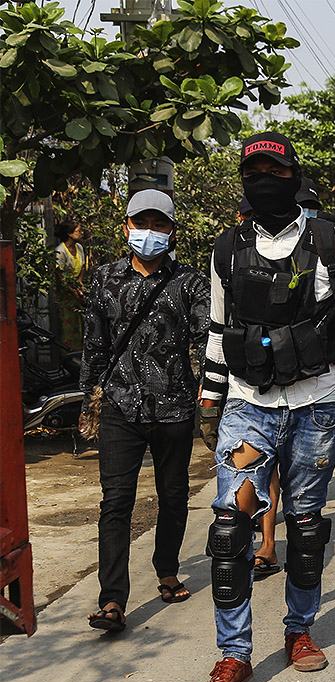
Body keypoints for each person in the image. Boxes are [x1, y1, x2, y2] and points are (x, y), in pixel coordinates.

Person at [195, 132, 335, 682]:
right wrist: (209, 397)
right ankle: (233, 656)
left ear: (294, 177)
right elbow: (216, 328)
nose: (264, 182)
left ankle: (299, 632)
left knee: (305, 528)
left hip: (316, 405)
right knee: (230, 531)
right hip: (247, 404)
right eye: (253, 172)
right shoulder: (226, 249)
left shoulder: (331, 242)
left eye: (274, 173)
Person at [79, 190, 210, 632]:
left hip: (173, 407)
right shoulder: (104, 279)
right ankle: (112, 600)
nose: (149, 232)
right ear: (126, 227)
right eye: (141, 222)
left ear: (172, 231)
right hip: (119, 405)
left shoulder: (190, 283)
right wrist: (89, 400)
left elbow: (203, 340)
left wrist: (206, 394)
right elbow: (94, 345)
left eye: (159, 224)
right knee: (116, 502)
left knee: (173, 496)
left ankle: (167, 568)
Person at [55, 219, 88, 350]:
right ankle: (68, 355)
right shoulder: (60, 251)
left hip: (77, 290)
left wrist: (80, 283)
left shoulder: (79, 248)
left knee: (81, 325)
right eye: (78, 231)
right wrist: (72, 291)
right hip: (66, 294)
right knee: (68, 326)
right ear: (69, 234)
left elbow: (83, 268)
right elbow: (60, 276)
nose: (81, 233)